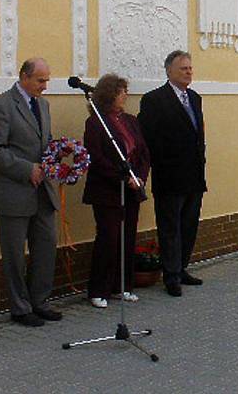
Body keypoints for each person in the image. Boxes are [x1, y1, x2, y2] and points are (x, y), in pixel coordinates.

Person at [0, 58, 62, 327]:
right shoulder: (2, 104)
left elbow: (44, 142)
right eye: (40, 81)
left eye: (47, 80)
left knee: (46, 247)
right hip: (15, 192)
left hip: (43, 191)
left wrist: (59, 156)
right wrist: (26, 169)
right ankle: (20, 308)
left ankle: (40, 301)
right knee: (14, 254)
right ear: (24, 76)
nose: (45, 86)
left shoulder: (43, 105)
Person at [138, 51, 207, 297]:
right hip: (169, 176)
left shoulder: (195, 98)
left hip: (194, 175)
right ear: (169, 71)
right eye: (183, 69)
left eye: (190, 68)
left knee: (188, 226)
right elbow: (148, 139)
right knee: (170, 228)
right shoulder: (155, 100)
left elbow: (198, 136)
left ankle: (182, 268)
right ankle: (171, 276)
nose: (189, 72)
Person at [83, 74, 150, 308]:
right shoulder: (96, 123)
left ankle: (122, 286)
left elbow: (142, 152)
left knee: (128, 236)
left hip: (132, 189)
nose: (126, 95)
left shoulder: (131, 120)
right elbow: (97, 158)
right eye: (122, 91)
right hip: (108, 189)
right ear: (110, 94)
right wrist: (123, 177)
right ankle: (98, 289)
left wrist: (139, 177)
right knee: (109, 237)